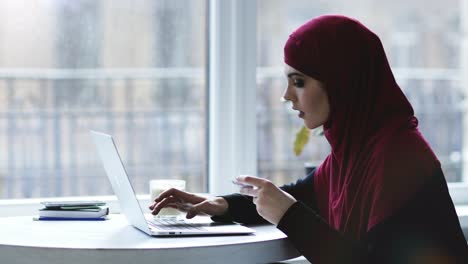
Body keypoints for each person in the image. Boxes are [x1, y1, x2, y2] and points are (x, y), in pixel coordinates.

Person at [149, 15, 468, 263]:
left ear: (342, 82)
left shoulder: (399, 157)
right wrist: (219, 204)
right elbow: (303, 194)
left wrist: (289, 216)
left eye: (298, 82)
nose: (287, 96)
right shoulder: (356, 151)